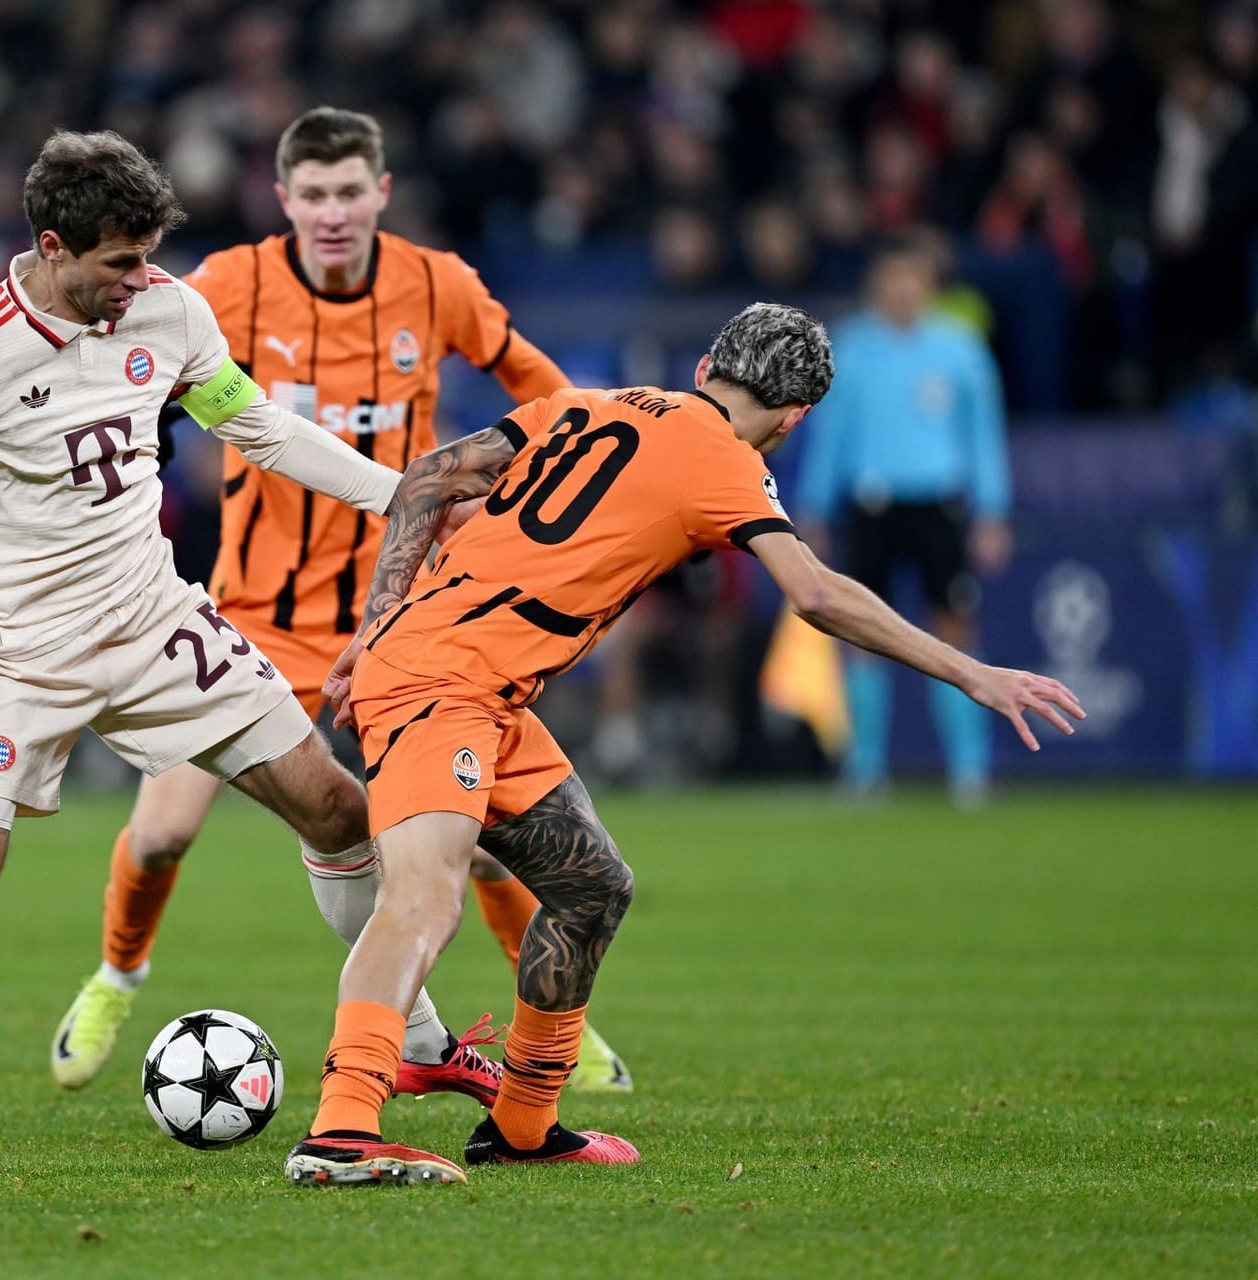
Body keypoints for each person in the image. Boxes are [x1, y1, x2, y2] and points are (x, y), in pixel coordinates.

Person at [0, 129, 475, 1180]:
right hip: (18, 661)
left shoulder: (170, 308)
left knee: (336, 808)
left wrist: (403, 494)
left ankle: (418, 1047)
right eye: (120, 262)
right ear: (55, 246)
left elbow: (258, 427)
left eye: (149, 256)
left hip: (156, 625)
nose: (140, 281)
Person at [283, 303, 1084, 1185]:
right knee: (425, 900)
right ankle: (343, 1126)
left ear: (705, 364)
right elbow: (813, 594)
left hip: (470, 684)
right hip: (445, 686)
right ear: (795, 419)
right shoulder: (726, 463)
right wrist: (973, 672)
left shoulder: (589, 404)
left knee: (591, 889)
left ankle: (522, 1126)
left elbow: (432, 475)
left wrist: (381, 620)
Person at [51, 106, 632, 1100]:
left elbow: (539, 385)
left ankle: (558, 1025)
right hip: (255, 618)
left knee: (485, 835)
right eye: (311, 195)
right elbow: (120, 340)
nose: (331, 212)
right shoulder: (230, 284)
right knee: (160, 833)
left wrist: (560, 464)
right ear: (283, 199)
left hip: (405, 614)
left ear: (381, 193)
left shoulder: (435, 282)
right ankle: (117, 974)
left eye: (348, 192)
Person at [792, 233, 1012, 807]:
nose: (902, 288)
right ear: (875, 283)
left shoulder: (960, 347)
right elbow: (829, 436)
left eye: (912, 275)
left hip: (938, 503)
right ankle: (865, 769)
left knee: (954, 627)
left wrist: (992, 511)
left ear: (929, 281)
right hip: (872, 505)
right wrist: (813, 509)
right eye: (892, 276)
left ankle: (970, 770)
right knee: (861, 634)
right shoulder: (852, 349)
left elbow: (983, 436)